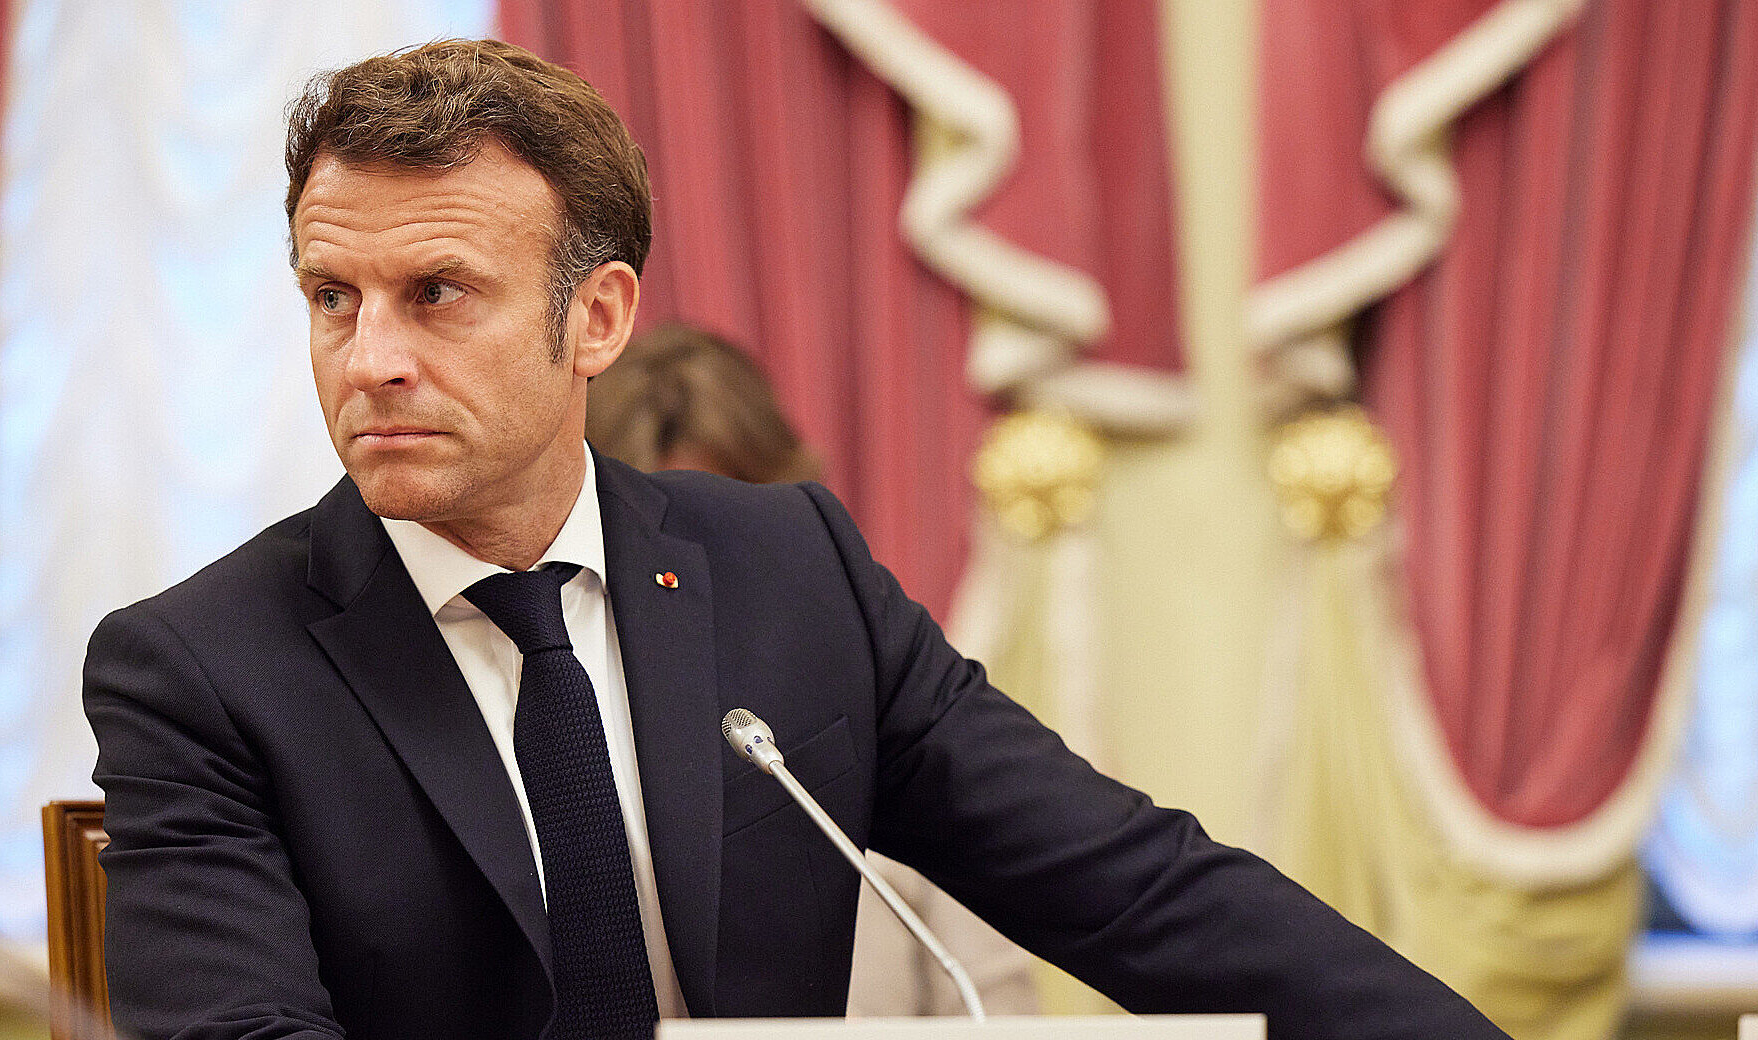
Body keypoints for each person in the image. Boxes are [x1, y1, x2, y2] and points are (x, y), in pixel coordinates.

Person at [83, 39, 1511, 1040]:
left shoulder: (788, 570)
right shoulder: (202, 669)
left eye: (437, 293)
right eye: (332, 296)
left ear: (598, 319)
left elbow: (1135, 889)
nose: (369, 358)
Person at [587, 323, 1041, 1018]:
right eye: (655, 538)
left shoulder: (878, 701)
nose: (680, 574)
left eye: (718, 524)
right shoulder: (565, 729)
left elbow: (995, 1003)